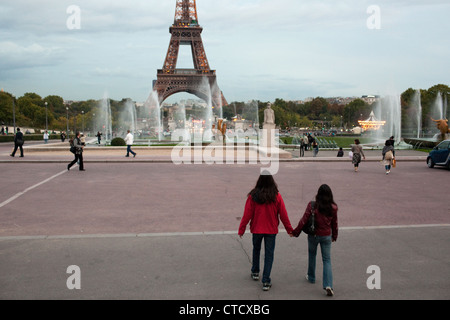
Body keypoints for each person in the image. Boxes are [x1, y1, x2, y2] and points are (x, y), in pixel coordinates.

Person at [238, 172, 294, 291]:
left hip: (257, 228)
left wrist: (242, 229)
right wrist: (289, 229)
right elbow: (283, 215)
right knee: (269, 255)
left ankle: (255, 271)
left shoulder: (252, 196)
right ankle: (266, 280)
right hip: (271, 230)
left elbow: (247, 214)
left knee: (256, 249)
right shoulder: (276, 196)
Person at [292, 184, 338, 297]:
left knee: (312, 255)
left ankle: (311, 277)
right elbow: (335, 224)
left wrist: (295, 232)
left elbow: (304, 220)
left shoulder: (312, 205)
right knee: (327, 260)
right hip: (327, 235)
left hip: (314, 235)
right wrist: (334, 236)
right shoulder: (333, 207)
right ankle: (328, 285)